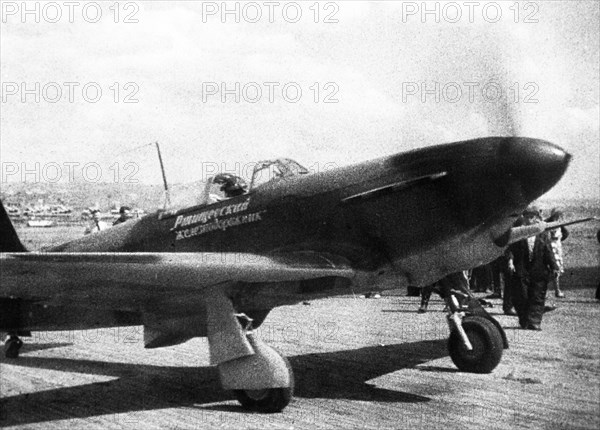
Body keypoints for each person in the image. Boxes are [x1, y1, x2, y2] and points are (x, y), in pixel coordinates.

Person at [507, 206, 560, 330]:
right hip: (521, 267)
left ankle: (534, 322)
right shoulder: (518, 232)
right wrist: (510, 261)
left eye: (532, 217)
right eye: (527, 217)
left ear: (536, 218)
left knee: (537, 296)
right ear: (524, 218)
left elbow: (548, 251)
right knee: (521, 296)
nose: (529, 220)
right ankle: (524, 320)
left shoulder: (542, 233)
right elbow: (509, 249)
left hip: (539, 268)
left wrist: (555, 266)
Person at [545, 208, 569, 298]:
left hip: (557, 248)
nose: (559, 217)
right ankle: (555, 290)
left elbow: (566, 233)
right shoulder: (547, 223)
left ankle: (556, 290)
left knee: (556, 270)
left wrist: (558, 241)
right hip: (549, 248)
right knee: (551, 269)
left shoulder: (559, 224)